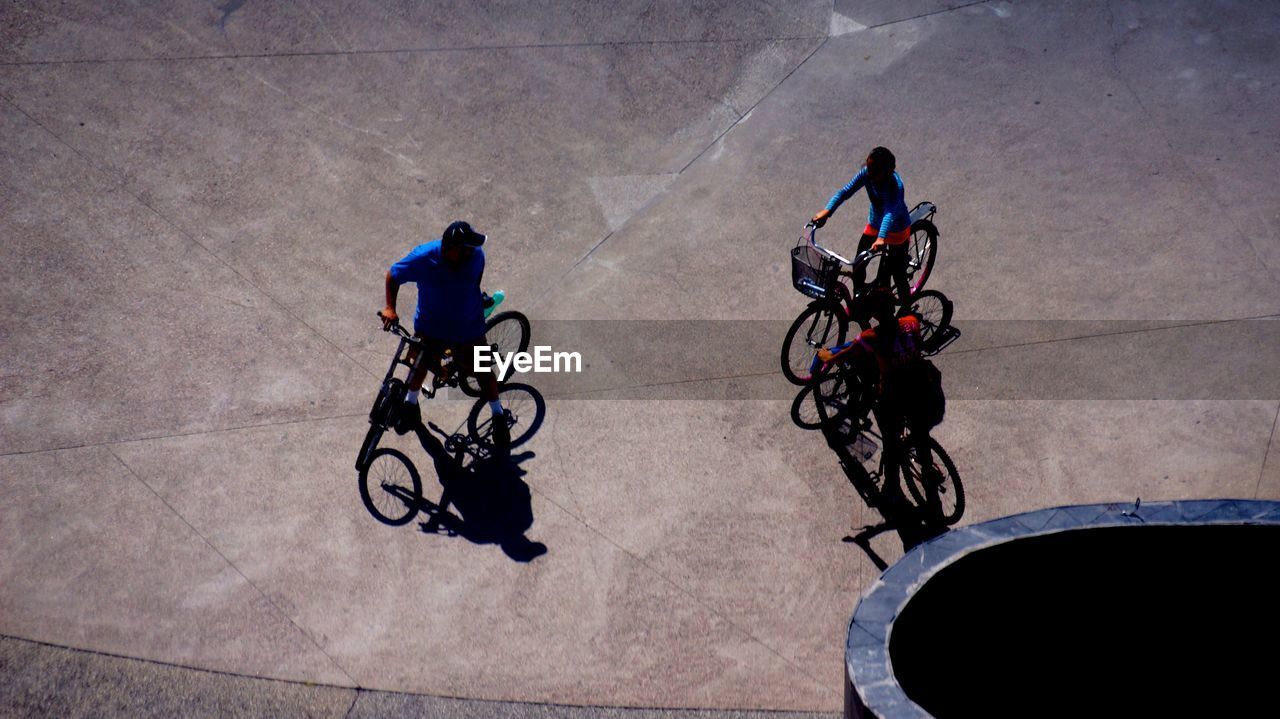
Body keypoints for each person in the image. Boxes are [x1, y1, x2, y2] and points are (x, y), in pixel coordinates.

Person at [379, 220, 508, 444]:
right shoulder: (424, 257)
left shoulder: (476, 256)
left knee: (483, 371)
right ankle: (411, 404)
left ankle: (498, 415)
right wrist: (390, 308)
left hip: (468, 326)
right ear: (450, 249)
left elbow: (474, 283)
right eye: (466, 248)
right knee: (418, 367)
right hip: (430, 326)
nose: (473, 251)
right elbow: (393, 275)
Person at [816, 289, 944, 498]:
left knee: (891, 440)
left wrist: (825, 355)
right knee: (920, 432)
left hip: (896, 396)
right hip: (924, 389)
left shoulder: (872, 337)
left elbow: (842, 356)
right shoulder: (912, 322)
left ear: (874, 314)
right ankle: (928, 471)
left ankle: (891, 489)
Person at [810, 146, 913, 301]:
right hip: (874, 225)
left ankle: (907, 309)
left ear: (887, 172)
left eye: (874, 170)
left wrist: (881, 237)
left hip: (896, 230)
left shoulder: (895, 187)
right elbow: (845, 192)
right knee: (858, 264)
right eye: (868, 166)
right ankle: (859, 296)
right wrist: (827, 211)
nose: (868, 173)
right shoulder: (867, 174)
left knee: (897, 274)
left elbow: (889, 213)